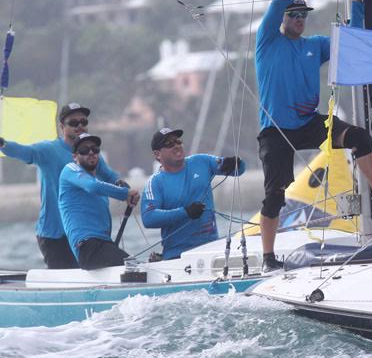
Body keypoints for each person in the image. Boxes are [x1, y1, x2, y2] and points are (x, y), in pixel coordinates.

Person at [255, 0, 372, 272]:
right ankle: (268, 259)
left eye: (303, 16)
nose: (299, 20)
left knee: (360, 138)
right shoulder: (267, 42)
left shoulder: (313, 46)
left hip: (309, 123)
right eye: (293, 15)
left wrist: (357, 0)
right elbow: (276, 4)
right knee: (274, 196)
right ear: (283, 19)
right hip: (275, 131)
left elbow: (351, 40)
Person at [0, 102, 124, 269]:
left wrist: (121, 184)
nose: (80, 126)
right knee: (69, 282)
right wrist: (3, 144)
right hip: (55, 234)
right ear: (61, 127)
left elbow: (110, 175)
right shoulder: (48, 149)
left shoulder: (90, 152)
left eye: (84, 122)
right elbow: (24, 151)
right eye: (74, 123)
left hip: (85, 234)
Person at [140, 128, 246, 260]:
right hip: (177, 256)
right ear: (157, 154)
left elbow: (239, 170)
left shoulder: (201, 161)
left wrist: (236, 163)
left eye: (178, 141)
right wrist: (185, 212)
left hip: (211, 250)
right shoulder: (154, 183)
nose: (176, 146)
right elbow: (148, 218)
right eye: (169, 144)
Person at [59, 133, 139, 270]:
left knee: (136, 266)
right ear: (75, 156)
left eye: (95, 149)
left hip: (102, 245)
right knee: (134, 267)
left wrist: (121, 186)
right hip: (87, 246)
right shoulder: (69, 170)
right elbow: (92, 186)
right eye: (84, 150)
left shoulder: (100, 187)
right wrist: (125, 193)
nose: (91, 152)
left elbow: (99, 184)